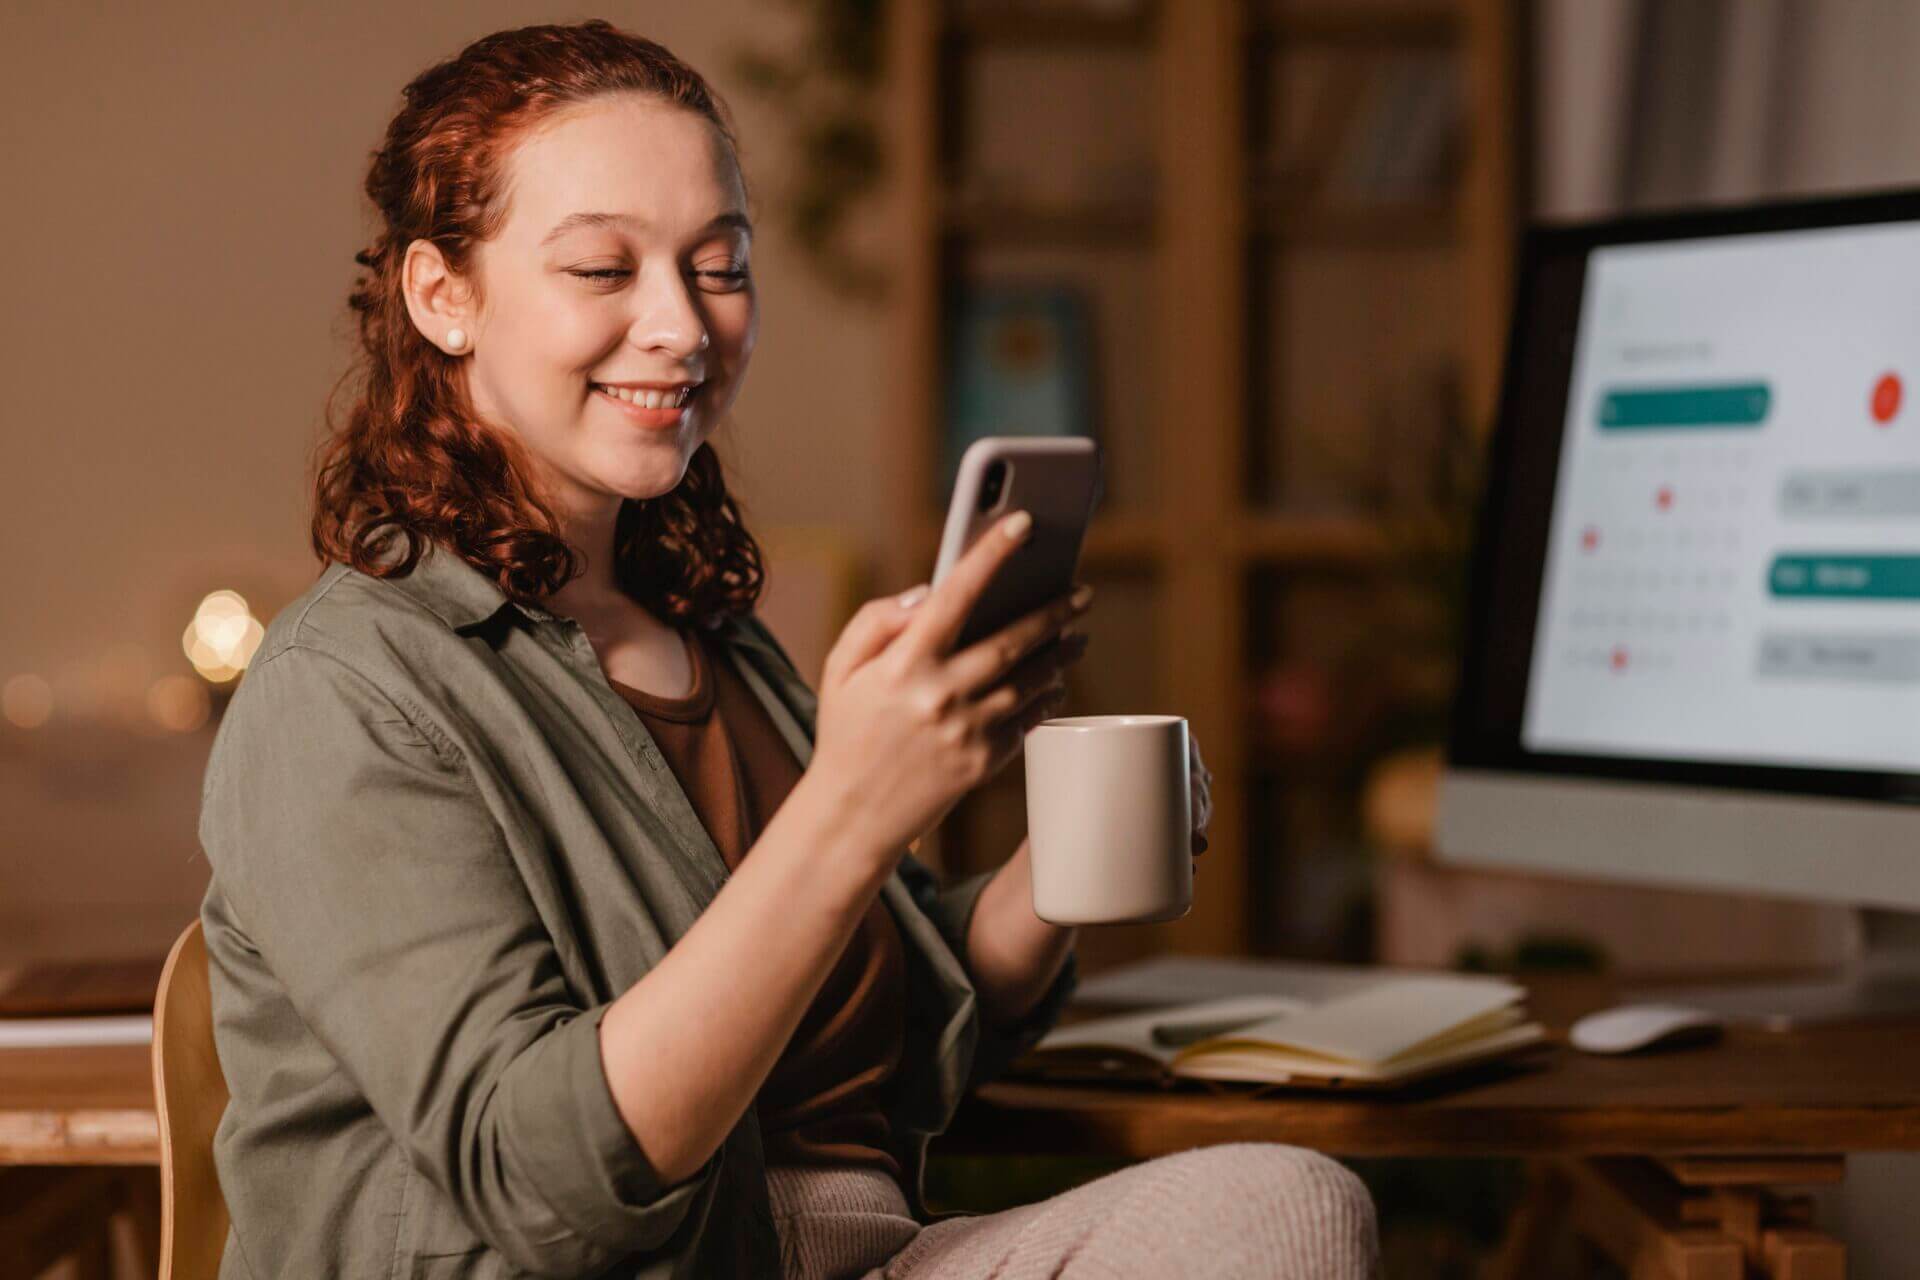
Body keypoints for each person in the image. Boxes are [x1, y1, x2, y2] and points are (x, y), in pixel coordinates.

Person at [196, 19, 1379, 1279]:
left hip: (847, 1250)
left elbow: (877, 1031)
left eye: (720, 263)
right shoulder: (346, 694)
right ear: (444, 296)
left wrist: (1052, 874)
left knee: (1286, 1207)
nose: (680, 326)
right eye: (603, 269)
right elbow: (544, 1184)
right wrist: (853, 812)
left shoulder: (712, 638)